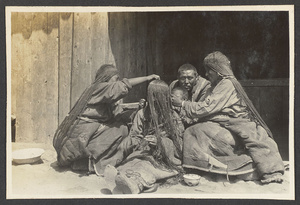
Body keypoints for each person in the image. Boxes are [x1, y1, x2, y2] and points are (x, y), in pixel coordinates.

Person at [171, 51, 284, 184]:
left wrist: (183, 104)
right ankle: (199, 166)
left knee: (195, 132)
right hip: (222, 120)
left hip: (235, 120)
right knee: (194, 130)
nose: (206, 74)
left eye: (208, 71)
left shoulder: (227, 84)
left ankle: (266, 170)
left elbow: (207, 107)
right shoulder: (215, 85)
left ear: (217, 71)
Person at [53, 64, 160, 175]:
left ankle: (85, 161)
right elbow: (123, 85)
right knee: (121, 130)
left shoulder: (101, 93)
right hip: (81, 133)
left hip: (83, 133)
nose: (117, 81)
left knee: (120, 127)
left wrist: (138, 108)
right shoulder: (100, 87)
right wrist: (147, 78)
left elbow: (116, 114)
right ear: (108, 77)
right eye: (116, 78)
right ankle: (92, 164)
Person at [103, 80, 185, 194]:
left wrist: (160, 143)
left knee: (145, 166)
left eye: (156, 96)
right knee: (133, 161)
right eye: (150, 96)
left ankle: (136, 185)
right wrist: (131, 142)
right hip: (144, 151)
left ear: (164, 97)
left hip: (163, 157)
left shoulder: (173, 116)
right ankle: (121, 180)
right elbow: (136, 134)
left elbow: (179, 143)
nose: (153, 100)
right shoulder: (142, 113)